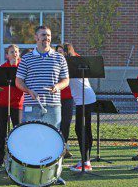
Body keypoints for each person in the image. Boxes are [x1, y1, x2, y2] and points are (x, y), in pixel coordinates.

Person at [16, 26, 69, 130]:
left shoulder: (60, 58)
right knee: (31, 137)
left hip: (53, 106)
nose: (47, 38)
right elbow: (18, 81)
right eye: (43, 35)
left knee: (52, 138)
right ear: (36, 37)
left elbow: (66, 80)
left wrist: (57, 86)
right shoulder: (26, 58)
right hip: (31, 105)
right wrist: (28, 91)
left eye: (48, 35)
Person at [62, 43, 97, 172]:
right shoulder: (67, 63)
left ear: (67, 52)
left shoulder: (72, 63)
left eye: (61, 51)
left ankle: (86, 162)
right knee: (85, 129)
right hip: (83, 99)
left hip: (86, 98)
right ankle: (85, 160)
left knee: (81, 129)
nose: (59, 54)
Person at [0, 44, 23, 167]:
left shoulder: (22, 67)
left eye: (16, 52)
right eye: (11, 52)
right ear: (7, 55)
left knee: (18, 131)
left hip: (17, 103)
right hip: (3, 103)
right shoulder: (2, 68)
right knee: (1, 131)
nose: (14, 54)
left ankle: (19, 158)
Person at [56, 44, 74, 159]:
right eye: (58, 51)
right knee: (56, 124)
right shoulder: (53, 63)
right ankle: (56, 148)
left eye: (61, 51)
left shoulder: (69, 64)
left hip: (67, 97)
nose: (59, 53)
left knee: (66, 124)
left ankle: (64, 147)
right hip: (55, 97)